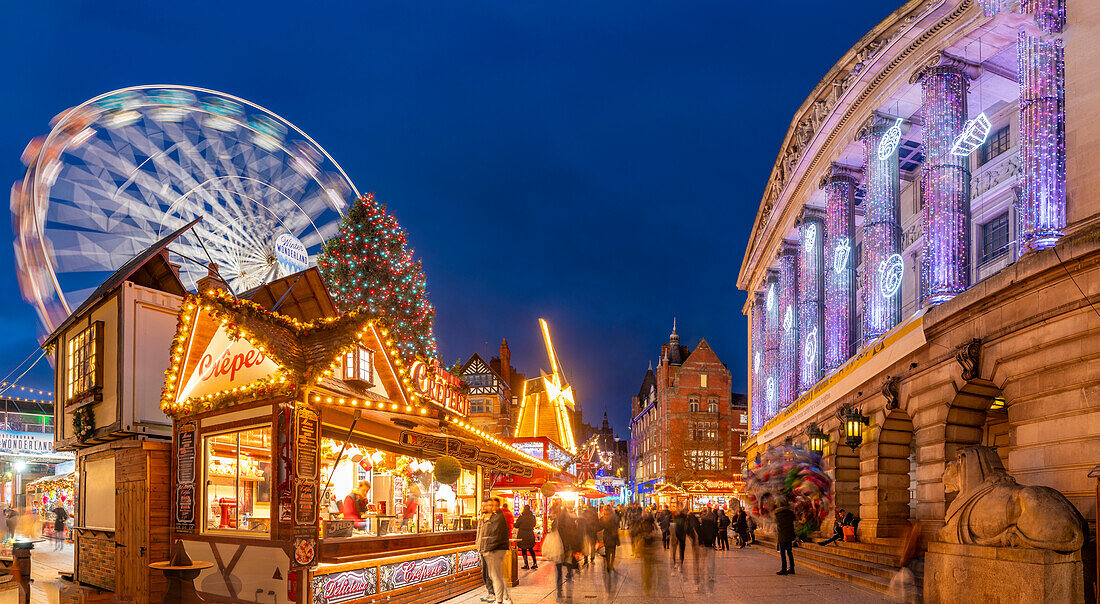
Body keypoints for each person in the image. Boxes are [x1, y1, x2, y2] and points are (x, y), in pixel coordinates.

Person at [478, 498, 512, 604]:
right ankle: (504, 597)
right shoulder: (487, 517)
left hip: (494, 550)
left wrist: (486, 549)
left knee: (495, 576)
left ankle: (499, 600)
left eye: (490, 505)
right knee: (495, 575)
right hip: (488, 549)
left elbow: (492, 535)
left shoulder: (497, 517)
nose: (488, 507)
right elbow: (481, 534)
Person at [551, 501, 582, 600]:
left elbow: (560, 534)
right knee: (566, 566)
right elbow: (573, 534)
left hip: (561, 548)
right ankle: (567, 585)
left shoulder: (559, 521)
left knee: (559, 570)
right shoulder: (568, 520)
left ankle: (559, 592)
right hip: (565, 547)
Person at [631, 511, 661, 596]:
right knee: (648, 569)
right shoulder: (653, 526)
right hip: (651, 550)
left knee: (646, 569)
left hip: (644, 549)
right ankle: (648, 585)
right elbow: (658, 537)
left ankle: (646, 586)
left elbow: (634, 532)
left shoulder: (642, 524)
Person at [475, 500, 497, 602]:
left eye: (485, 506)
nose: (483, 508)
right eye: (482, 506)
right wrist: (477, 546)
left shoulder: (494, 520)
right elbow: (479, 534)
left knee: (490, 573)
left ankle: (493, 593)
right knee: (484, 572)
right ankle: (490, 592)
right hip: (482, 549)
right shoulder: (482, 519)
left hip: (490, 550)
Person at [695, 510, 718, 592]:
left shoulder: (702, 524)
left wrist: (700, 542)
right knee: (711, 561)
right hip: (710, 544)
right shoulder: (712, 523)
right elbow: (715, 531)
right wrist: (713, 541)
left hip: (703, 545)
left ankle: (701, 574)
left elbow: (699, 533)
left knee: (702, 561)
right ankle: (710, 576)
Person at [774, 497, 797, 576]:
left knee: (783, 553)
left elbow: (775, 522)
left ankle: (784, 569)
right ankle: (792, 568)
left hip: (782, 535)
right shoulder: (790, 512)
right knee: (790, 552)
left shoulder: (777, 514)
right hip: (789, 534)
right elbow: (794, 519)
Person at [515, 505, 538, 570]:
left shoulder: (521, 517)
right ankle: (535, 563)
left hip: (522, 534)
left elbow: (516, 525)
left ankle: (526, 564)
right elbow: (534, 524)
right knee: (531, 549)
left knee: (523, 549)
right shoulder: (532, 517)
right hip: (530, 534)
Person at [669, 504, 690, 570]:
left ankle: (679, 562)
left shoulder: (681, 517)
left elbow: (685, 526)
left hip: (680, 534)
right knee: (678, 549)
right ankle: (678, 562)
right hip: (678, 535)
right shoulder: (682, 517)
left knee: (680, 549)